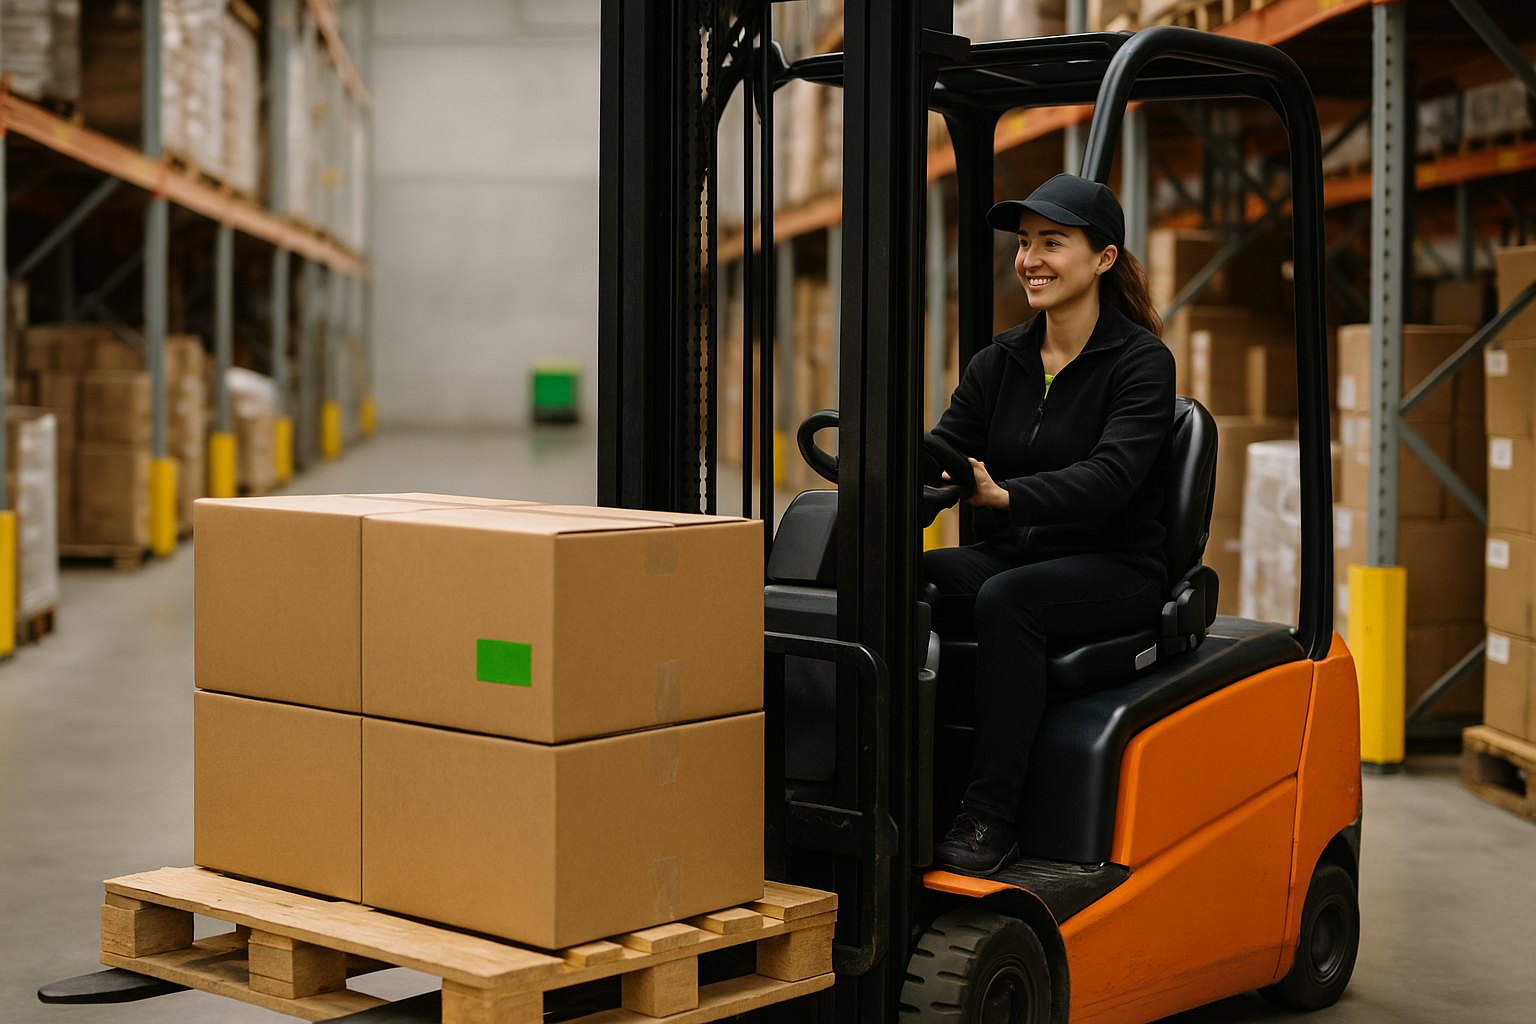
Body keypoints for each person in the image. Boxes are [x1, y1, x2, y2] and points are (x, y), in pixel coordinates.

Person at [927, 173, 1176, 874]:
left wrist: (1007, 496)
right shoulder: (999, 361)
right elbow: (949, 447)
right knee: (896, 576)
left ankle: (991, 812)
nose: (1030, 259)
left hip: (1116, 566)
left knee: (1010, 600)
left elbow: (1111, 478)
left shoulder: (1141, 363)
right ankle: (896, 773)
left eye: (1052, 243)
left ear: (1103, 258)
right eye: (1024, 243)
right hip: (1016, 554)